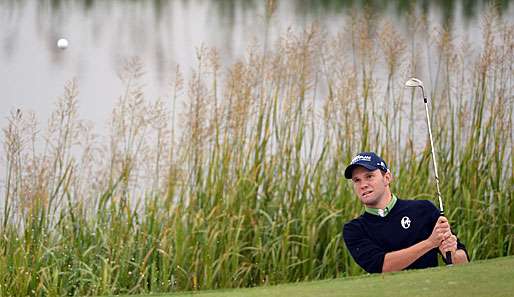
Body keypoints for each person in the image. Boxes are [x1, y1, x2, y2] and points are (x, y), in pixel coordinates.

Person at [342, 152, 469, 273]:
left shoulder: (423, 209)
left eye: (369, 176)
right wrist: (430, 243)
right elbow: (381, 265)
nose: (363, 185)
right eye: (357, 180)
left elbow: (463, 260)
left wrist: (451, 254)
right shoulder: (354, 229)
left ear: (387, 178)